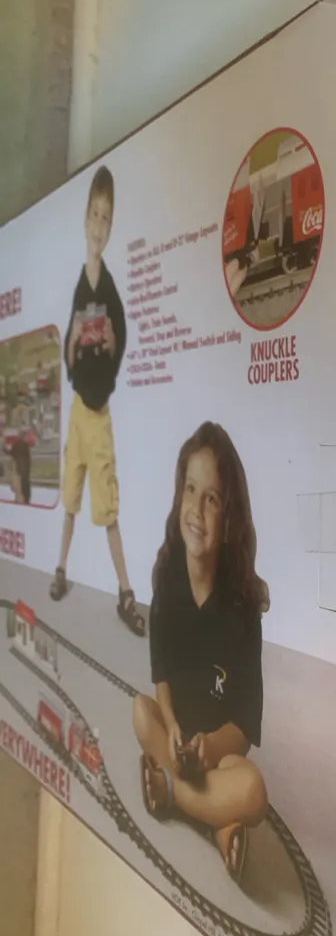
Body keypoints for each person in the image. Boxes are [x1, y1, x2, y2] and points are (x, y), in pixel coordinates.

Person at [132, 421, 270, 883]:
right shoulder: (167, 581)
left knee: (251, 791)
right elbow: (162, 675)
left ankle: (173, 794)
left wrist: (210, 747)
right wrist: (171, 724)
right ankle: (220, 823)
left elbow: (245, 727)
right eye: (190, 490)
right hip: (176, 741)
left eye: (212, 499)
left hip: (216, 756)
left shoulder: (242, 610)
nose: (196, 509)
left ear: (229, 519)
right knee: (141, 713)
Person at [49, 165, 144, 636]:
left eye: (107, 217)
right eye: (95, 214)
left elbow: (117, 346)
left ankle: (125, 592)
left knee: (108, 509)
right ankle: (60, 569)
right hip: (76, 417)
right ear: (85, 218)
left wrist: (109, 342)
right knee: (70, 498)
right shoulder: (78, 288)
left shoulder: (110, 293)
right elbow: (69, 353)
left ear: (111, 225)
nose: (99, 225)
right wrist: (71, 344)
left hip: (98, 415)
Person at [9, 437, 31, 504]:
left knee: (20, 488)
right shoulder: (24, 446)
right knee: (23, 486)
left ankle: (22, 500)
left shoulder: (18, 446)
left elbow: (12, 453)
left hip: (19, 470)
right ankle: (24, 499)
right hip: (23, 470)